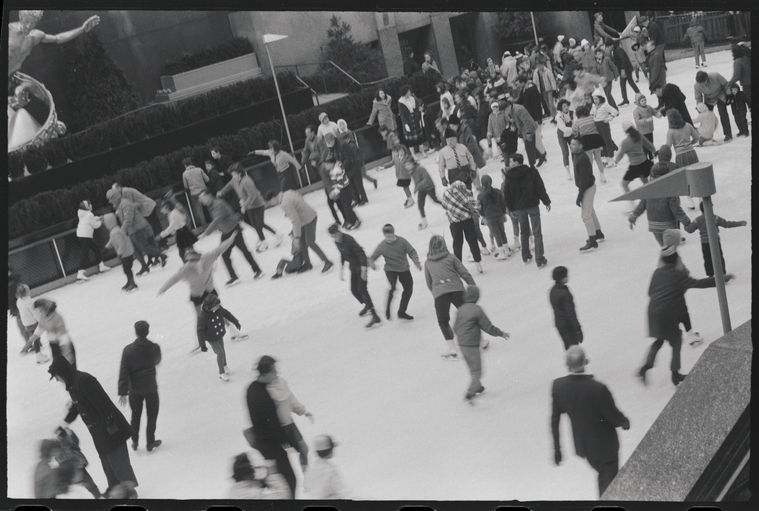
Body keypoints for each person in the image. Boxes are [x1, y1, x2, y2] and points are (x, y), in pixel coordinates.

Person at [638, 230, 734, 386]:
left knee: (659, 340)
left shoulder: (657, 272)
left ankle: (646, 366)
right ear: (676, 260)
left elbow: (650, 292)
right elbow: (699, 284)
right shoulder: (679, 276)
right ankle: (675, 375)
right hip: (668, 313)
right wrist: (722, 279)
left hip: (653, 312)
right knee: (675, 341)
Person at [48, 357, 138, 497]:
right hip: (98, 431)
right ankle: (114, 488)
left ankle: (129, 491)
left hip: (111, 429)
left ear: (62, 372)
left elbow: (103, 404)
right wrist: (64, 423)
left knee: (118, 461)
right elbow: (77, 406)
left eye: (56, 376)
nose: (57, 380)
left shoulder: (84, 380)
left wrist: (111, 429)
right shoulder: (73, 385)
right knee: (107, 462)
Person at [551, 345, 630, 497]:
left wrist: (557, 449)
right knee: (610, 485)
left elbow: (554, 420)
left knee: (604, 478)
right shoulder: (597, 389)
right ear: (585, 362)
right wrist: (624, 421)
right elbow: (612, 415)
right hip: (606, 447)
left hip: (585, 447)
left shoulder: (558, 387)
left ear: (568, 365)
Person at [157, 234, 238, 352]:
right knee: (205, 316)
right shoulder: (190, 267)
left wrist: (230, 240)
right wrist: (163, 288)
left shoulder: (201, 261)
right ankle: (204, 340)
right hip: (200, 294)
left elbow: (220, 248)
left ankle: (232, 330)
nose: (194, 263)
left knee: (213, 313)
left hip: (206, 292)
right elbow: (174, 278)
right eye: (191, 261)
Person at [246, 355, 297, 496]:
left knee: (281, 481)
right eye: (274, 371)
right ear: (265, 373)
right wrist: (290, 442)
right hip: (271, 446)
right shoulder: (263, 396)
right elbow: (273, 424)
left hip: (264, 444)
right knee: (289, 481)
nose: (277, 374)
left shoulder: (251, 388)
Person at [454, 285, 509, 403]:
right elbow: (488, 327)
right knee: (477, 371)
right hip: (471, 344)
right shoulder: (476, 309)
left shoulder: (461, 309)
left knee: (472, 368)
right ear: (476, 296)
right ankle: (470, 392)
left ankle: (477, 386)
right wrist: (501, 333)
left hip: (462, 344)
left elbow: (455, 327)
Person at [424, 235, 476, 360]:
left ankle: (452, 349)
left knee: (443, 321)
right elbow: (464, 273)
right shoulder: (451, 257)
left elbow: (428, 282)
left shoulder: (428, 263)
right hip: (456, 289)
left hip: (440, 293)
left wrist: (436, 294)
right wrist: (472, 285)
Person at [628, 147, 692, 246]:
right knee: (670, 251)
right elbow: (676, 210)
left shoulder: (649, 191)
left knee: (664, 248)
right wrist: (686, 222)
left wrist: (633, 216)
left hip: (654, 226)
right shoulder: (669, 192)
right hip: (668, 225)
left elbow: (642, 204)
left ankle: (667, 255)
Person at [199, 190, 263, 285]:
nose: (201, 201)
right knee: (225, 255)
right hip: (226, 231)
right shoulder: (212, 205)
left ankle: (257, 270)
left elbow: (217, 219)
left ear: (209, 196)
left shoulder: (218, 204)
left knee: (244, 250)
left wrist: (206, 233)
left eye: (202, 198)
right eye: (200, 199)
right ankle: (234, 277)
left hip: (233, 230)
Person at [117, 320, 162, 451]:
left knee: (135, 416)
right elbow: (157, 360)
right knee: (152, 415)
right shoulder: (154, 347)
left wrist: (123, 391)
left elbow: (123, 370)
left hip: (135, 389)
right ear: (147, 331)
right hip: (150, 387)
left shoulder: (127, 350)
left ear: (136, 332)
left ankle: (135, 441)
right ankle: (150, 441)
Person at [266, 189, 334, 274]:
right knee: (302, 243)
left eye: (271, 202)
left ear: (273, 198)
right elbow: (300, 197)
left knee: (310, 242)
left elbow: (295, 220)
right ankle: (308, 264)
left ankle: (327, 262)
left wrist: (296, 237)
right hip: (305, 218)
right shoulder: (287, 193)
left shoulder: (285, 203)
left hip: (309, 220)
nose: (272, 204)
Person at [218, 163, 282, 252]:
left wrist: (244, 206)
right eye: (232, 174)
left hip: (258, 205)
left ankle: (272, 238)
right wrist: (222, 192)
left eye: (233, 174)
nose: (232, 176)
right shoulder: (234, 180)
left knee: (259, 224)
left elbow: (253, 195)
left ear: (239, 173)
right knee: (255, 224)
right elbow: (229, 185)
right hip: (249, 206)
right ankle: (263, 238)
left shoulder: (247, 181)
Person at [502, 153, 551, 268]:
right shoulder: (532, 172)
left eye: (511, 161)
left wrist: (511, 208)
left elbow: (507, 193)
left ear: (516, 162)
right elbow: (540, 187)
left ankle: (526, 256)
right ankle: (539, 258)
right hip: (532, 205)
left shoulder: (509, 176)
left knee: (524, 232)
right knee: (537, 232)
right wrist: (546, 201)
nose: (509, 163)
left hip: (519, 208)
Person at [327, 223, 381, 328]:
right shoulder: (337, 242)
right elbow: (342, 254)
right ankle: (367, 305)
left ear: (339, 232)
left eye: (335, 234)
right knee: (354, 290)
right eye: (332, 236)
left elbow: (360, 252)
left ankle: (375, 316)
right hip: (353, 267)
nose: (335, 237)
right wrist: (342, 268)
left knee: (362, 289)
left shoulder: (349, 239)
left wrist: (364, 269)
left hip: (361, 266)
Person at [369, 223, 421, 321]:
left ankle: (401, 311)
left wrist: (416, 262)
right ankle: (387, 308)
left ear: (394, 233)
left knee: (408, 289)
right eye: (386, 236)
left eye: (390, 236)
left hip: (403, 268)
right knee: (393, 287)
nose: (388, 238)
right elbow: (372, 258)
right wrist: (372, 264)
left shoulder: (402, 241)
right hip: (390, 269)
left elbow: (412, 251)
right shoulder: (382, 245)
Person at [684, 202, 747, 277]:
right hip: (715, 242)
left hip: (705, 243)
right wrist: (740, 223)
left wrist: (685, 224)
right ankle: (722, 274)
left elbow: (690, 230)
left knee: (707, 259)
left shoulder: (698, 220)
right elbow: (727, 224)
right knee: (719, 257)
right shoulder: (715, 218)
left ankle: (710, 275)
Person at [268, 373, 313, 470]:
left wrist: (303, 411)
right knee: (277, 457)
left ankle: (306, 475)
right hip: (276, 428)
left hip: (289, 425)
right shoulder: (265, 391)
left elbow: (291, 400)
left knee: (304, 449)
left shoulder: (281, 383)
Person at [196, 293, 244, 381]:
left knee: (222, 350)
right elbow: (200, 331)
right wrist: (202, 344)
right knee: (220, 352)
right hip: (211, 337)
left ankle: (224, 365)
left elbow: (227, 314)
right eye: (216, 305)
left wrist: (235, 321)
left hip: (219, 333)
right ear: (210, 306)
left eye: (218, 305)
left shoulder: (218, 309)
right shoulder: (202, 316)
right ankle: (221, 373)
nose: (218, 306)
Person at [570, 137, 604, 252]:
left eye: (574, 144)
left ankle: (592, 240)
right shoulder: (577, 156)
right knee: (590, 211)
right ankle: (598, 233)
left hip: (587, 188)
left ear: (581, 146)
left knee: (585, 216)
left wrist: (580, 195)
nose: (571, 146)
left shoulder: (582, 158)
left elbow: (584, 178)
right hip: (587, 187)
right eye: (571, 144)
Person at [442, 180, 483, 273]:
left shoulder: (446, 193)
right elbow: (475, 206)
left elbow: (444, 205)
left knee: (457, 244)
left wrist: (452, 211)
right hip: (468, 221)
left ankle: (458, 267)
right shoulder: (467, 192)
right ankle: (478, 265)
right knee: (473, 241)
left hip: (454, 223)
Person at [665, 109, 701, 210]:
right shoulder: (688, 125)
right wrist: (690, 144)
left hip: (680, 156)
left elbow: (668, 146)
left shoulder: (670, 132)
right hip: (692, 153)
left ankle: (690, 201)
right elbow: (697, 137)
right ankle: (701, 198)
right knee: (696, 175)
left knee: (685, 178)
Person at [614, 120, 656, 204]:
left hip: (635, 166)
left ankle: (632, 205)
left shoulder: (625, 142)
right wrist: (654, 151)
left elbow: (620, 154)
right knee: (645, 182)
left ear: (625, 130)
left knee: (624, 184)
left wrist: (616, 161)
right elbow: (650, 145)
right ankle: (653, 200)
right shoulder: (639, 136)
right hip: (644, 163)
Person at [27, 298, 76, 367]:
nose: (40, 312)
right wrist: (30, 341)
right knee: (58, 371)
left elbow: (63, 336)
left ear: (45, 308)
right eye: (39, 311)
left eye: (41, 310)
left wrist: (67, 353)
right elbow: (40, 328)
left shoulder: (57, 318)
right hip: (54, 346)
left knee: (70, 371)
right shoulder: (43, 315)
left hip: (64, 347)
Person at [502, 95, 543, 168]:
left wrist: (528, 133)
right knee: (530, 145)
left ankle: (532, 165)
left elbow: (527, 121)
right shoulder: (510, 111)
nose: (504, 113)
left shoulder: (518, 109)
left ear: (508, 107)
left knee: (529, 147)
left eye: (504, 110)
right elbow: (515, 121)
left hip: (529, 128)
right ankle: (541, 156)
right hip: (523, 130)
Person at [322, 155, 360, 230]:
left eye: (327, 164)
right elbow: (336, 182)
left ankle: (355, 221)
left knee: (347, 207)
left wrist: (335, 191)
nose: (325, 167)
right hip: (342, 190)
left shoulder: (337, 170)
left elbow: (341, 182)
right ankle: (352, 221)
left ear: (331, 163)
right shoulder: (333, 170)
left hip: (345, 190)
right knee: (346, 207)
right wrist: (334, 188)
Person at [549, 266, 583, 350]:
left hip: (559, 323)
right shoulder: (564, 294)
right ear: (561, 278)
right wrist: (578, 329)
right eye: (566, 275)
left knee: (568, 346)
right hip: (567, 325)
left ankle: (574, 360)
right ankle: (576, 362)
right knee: (573, 347)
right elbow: (571, 312)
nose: (568, 277)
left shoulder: (552, 290)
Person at [304, 434, 348, 499]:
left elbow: (306, 487)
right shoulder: (330, 470)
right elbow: (342, 491)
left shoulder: (311, 468)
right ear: (329, 450)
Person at [478, 174, 511, 260]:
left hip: (490, 217)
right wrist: (504, 212)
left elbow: (479, 208)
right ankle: (507, 249)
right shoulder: (498, 191)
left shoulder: (480, 195)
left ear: (482, 184)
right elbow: (503, 203)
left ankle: (501, 252)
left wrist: (483, 215)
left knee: (496, 234)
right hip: (500, 214)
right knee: (502, 232)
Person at [694, 70, 733, 142]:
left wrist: (729, 94)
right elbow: (698, 98)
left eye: (704, 82)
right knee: (707, 118)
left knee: (723, 113)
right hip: (709, 99)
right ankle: (707, 136)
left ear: (707, 78)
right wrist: (700, 108)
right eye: (701, 83)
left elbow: (726, 84)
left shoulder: (716, 76)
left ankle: (728, 134)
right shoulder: (696, 85)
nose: (703, 84)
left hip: (720, 95)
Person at [102, 213, 138, 292]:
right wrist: (107, 247)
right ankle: (129, 281)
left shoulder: (116, 232)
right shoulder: (114, 230)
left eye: (105, 222)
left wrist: (119, 253)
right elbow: (112, 240)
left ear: (109, 222)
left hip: (126, 253)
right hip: (126, 253)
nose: (105, 224)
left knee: (127, 269)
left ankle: (132, 283)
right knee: (126, 269)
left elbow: (122, 243)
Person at [75, 200, 109, 281]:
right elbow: (95, 225)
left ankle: (101, 266)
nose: (91, 205)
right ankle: (80, 272)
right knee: (85, 253)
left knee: (96, 249)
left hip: (81, 235)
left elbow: (91, 219)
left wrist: (97, 218)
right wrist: (101, 221)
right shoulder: (89, 214)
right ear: (87, 207)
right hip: (85, 236)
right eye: (90, 205)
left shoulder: (83, 214)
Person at [15, 283, 48, 363]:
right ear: (26, 292)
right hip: (32, 323)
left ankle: (35, 353)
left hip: (26, 323)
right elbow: (35, 313)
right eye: (28, 289)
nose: (29, 290)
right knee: (36, 338)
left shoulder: (19, 301)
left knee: (35, 338)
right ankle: (38, 356)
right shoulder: (30, 302)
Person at [407, 156, 441, 230]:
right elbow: (416, 181)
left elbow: (426, 179)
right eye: (406, 165)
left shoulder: (421, 169)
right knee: (420, 205)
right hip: (422, 189)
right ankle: (424, 222)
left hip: (429, 187)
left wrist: (418, 186)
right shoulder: (411, 171)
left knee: (435, 200)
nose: (407, 167)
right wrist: (416, 187)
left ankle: (449, 208)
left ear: (413, 163)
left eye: (408, 164)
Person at [590, 88, 619, 167]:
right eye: (594, 99)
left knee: (607, 141)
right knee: (600, 143)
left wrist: (609, 118)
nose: (595, 100)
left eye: (596, 99)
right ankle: (605, 158)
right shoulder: (593, 105)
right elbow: (592, 114)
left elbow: (615, 112)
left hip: (604, 125)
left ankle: (611, 159)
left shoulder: (605, 105)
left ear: (600, 98)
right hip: (596, 125)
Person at [398, 85, 427, 158]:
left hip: (415, 119)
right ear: (405, 92)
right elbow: (402, 115)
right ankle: (413, 155)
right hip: (408, 121)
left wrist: (419, 117)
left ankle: (423, 152)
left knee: (419, 138)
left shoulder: (413, 99)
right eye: (408, 91)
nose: (410, 92)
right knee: (410, 141)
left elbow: (417, 108)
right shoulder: (401, 102)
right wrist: (405, 124)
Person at [182, 156, 210, 225]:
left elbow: (186, 186)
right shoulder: (199, 169)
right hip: (204, 191)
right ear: (191, 163)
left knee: (199, 211)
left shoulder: (184, 174)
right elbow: (207, 179)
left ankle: (205, 226)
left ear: (185, 165)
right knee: (210, 207)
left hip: (194, 194)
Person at [632, 93, 662, 158]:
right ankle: (645, 157)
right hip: (643, 132)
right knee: (645, 146)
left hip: (650, 130)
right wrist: (646, 120)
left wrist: (658, 115)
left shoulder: (649, 107)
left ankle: (651, 155)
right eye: (642, 101)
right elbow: (637, 122)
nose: (644, 102)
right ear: (638, 102)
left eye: (645, 100)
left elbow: (654, 112)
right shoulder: (636, 111)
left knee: (651, 143)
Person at [611, 41, 639, 106]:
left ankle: (639, 95)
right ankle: (625, 99)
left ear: (612, 45)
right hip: (623, 69)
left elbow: (623, 59)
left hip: (626, 69)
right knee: (623, 84)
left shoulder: (618, 50)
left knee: (630, 82)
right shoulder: (616, 50)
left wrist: (623, 70)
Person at [554, 99, 574, 179]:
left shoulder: (572, 112)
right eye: (564, 106)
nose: (566, 107)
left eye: (567, 105)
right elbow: (564, 128)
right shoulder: (558, 116)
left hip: (570, 134)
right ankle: (567, 171)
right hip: (562, 135)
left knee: (574, 150)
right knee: (565, 152)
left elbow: (575, 122)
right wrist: (574, 129)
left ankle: (576, 166)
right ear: (560, 108)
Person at [728, 43, 751, 109]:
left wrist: (729, 83)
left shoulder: (738, 62)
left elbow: (736, 76)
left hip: (747, 85)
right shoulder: (747, 58)